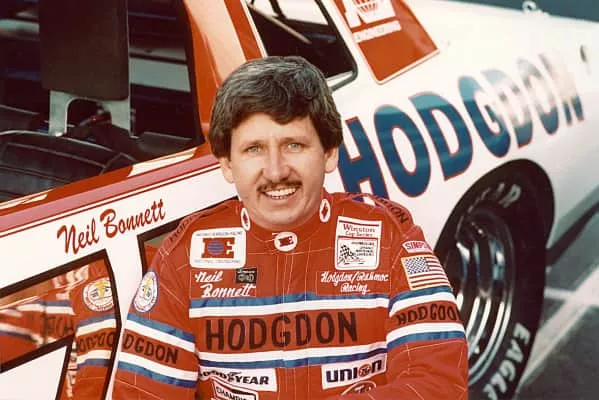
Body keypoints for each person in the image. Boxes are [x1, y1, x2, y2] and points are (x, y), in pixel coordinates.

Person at [112, 55, 468, 399]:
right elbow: (141, 395)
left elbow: (438, 385)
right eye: (254, 149)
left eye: (294, 145)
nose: (276, 170)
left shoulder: (390, 238)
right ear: (227, 165)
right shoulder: (185, 257)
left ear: (329, 152)